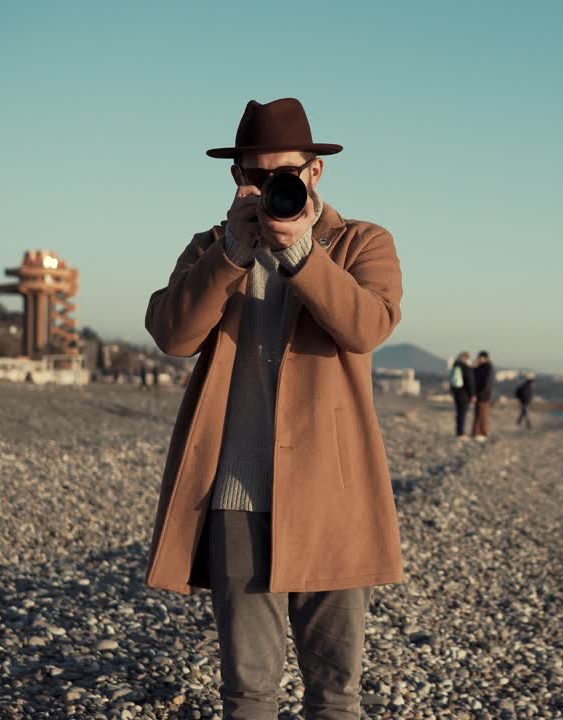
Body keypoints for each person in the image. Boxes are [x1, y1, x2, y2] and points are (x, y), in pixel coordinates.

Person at [143, 97, 405, 720]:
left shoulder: (361, 242)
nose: (268, 187)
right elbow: (173, 335)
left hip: (332, 495)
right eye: (254, 175)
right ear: (238, 177)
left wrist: (302, 254)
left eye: (284, 173)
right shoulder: (212, 247)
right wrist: (230, 256)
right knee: (247, 691)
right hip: (235, 495)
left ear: (315, 171)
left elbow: (367, 328)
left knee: (335, 692)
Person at [448, 351, 476, 438]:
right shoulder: (466, 367)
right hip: (464, 394)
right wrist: (472, 394)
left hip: (457, 393)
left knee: (459, 413)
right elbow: (470, 382)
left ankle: (458, 431)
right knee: (463, 413)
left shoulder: (455, 366)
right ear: (466, 358)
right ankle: (461, 433)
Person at [470, 350, 495, 441]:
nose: (478, 359)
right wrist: (474, 367)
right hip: (479, 395)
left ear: (484, 358)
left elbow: (487, 384)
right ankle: (476, 433)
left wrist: (479, 394)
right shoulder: (480, 367)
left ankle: (483, 433)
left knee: (483, 415)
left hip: (484, 396)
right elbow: (473, 377)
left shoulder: (488, 367)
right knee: (478, 414)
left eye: (479, 357)